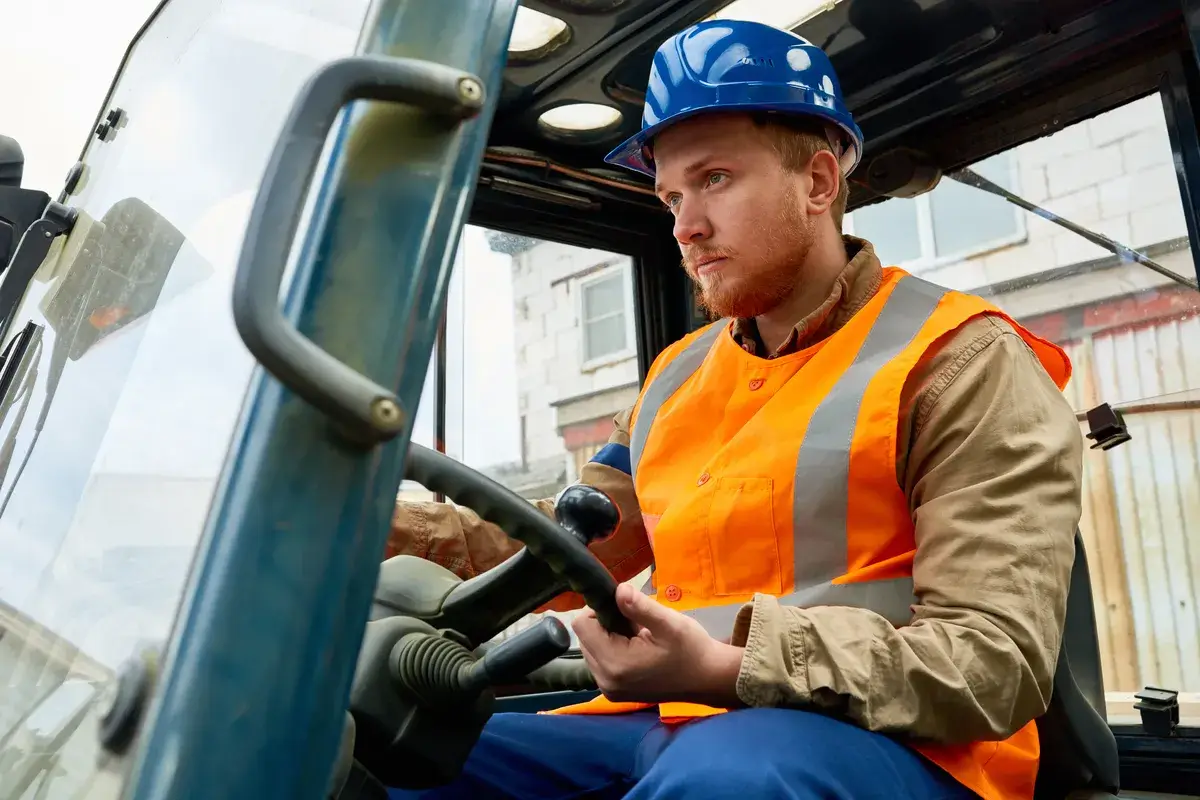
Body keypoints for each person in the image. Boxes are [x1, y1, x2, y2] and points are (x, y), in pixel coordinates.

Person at [385, 18, 1083, 800]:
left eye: (714, 179)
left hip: (904, 748)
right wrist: (364, 524)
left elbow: (992, 662)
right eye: (672, 195)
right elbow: (565, 545)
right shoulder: (675, 379)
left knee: (728, 781)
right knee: (398, 751)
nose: (684, 225)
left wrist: (728, 665)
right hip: (673, 717)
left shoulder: (960, 360)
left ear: (818, 183)